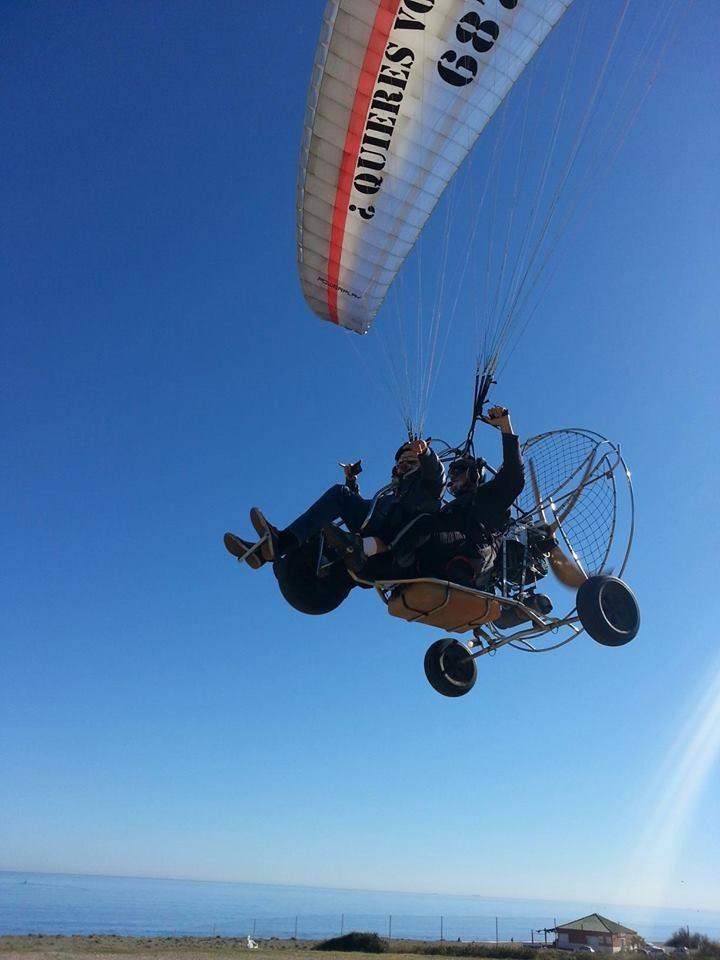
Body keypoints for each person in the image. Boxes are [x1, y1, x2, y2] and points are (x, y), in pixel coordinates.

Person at [223, 438, 445, 569]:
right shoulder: (391, 493)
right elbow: (367, 508)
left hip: (401, 534)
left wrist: (426, 453)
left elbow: (436, 475)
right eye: (399, 462)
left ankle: (279, 544)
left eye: (409, 460)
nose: (402, 465)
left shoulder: (426, 487)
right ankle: (263, 553)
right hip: (379, 525)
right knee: (327, 516)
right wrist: (351, 481)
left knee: (339, 495)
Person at [412, 404, 525, 586]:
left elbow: (514, 477)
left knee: (422, 526)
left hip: (470, 556)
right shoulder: (450, 508)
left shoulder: (488, 497)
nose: (452, 478)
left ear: (474, 474)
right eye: (451, 474)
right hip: (439, 558)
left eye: (457, 471)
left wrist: (505, 426)